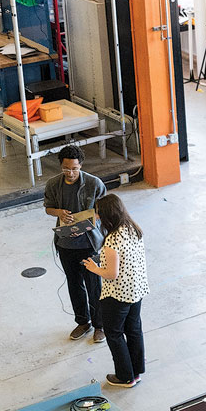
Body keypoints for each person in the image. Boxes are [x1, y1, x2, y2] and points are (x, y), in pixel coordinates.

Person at [41, 145, 106, 342]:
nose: (70, 173)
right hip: (66, 244)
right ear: (61, 166)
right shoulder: (53, 184)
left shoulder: (94, 184)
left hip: (89, 244)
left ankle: (99, 325)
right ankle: (82, 322)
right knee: (74, 284)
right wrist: (59, 213)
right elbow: (48, 208)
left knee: (94, 286)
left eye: (75, 169)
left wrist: (92, 217)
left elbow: (104, 208)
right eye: (66, 169)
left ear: (81, 166)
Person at [84, 192, 147, 388]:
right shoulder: (133, 228)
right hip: (136, 291)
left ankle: (125, 376)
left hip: (117, 295)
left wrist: (94, 268)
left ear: (106, 215)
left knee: (114, 333)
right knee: (134, 330)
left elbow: (111, 274)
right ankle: (136, 371)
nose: (96, 216)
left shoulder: (112, 240)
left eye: (98, 213)